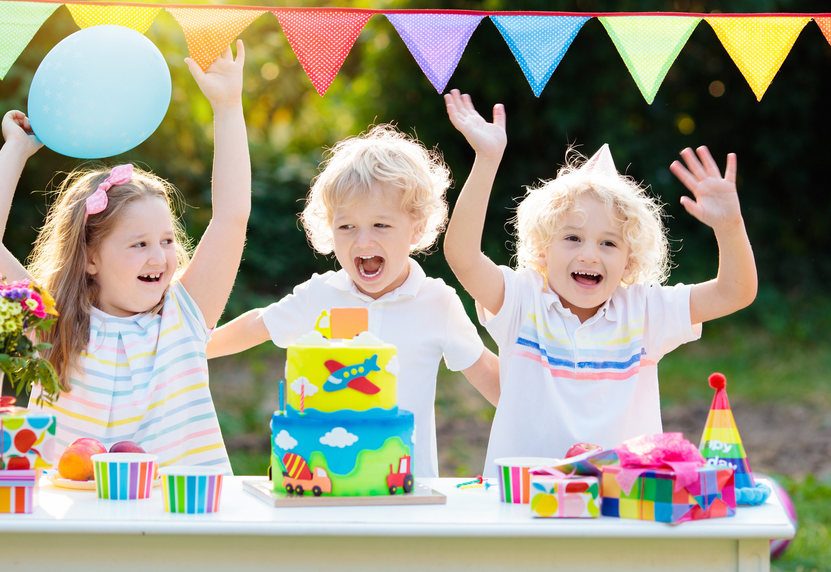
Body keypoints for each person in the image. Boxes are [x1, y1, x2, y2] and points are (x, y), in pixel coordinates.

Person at [0, 42, 251, 473]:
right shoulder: (54, 322)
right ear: (90, 258)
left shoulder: (184, 314)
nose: (161, 257)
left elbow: (231, 216)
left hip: (183, 525)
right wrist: (15, 149)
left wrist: (227, 106)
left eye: (168, 241)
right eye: (139, 244)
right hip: (75, 531)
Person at [442, 89, 757, 471]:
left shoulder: (644, 310)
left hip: (620, 506)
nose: (590, 254)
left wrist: (730, 226)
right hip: (523, 505)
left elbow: (734, 292)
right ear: (542, 249)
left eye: (609, 243)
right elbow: (462, 257)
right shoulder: (522, 301)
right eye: (573, 238)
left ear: (629, 261)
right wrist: (487, 160)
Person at [207, 125, 500, 478]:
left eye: (380, 225)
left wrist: (547, 406)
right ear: (329, 228)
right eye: (347, 227)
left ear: (417, 228)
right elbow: (259, 325)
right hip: (322, 480)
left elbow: (484, 369)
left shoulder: (437, 301)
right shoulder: (320, 296)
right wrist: (190, 347)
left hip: (403, 484)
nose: (363, 242)